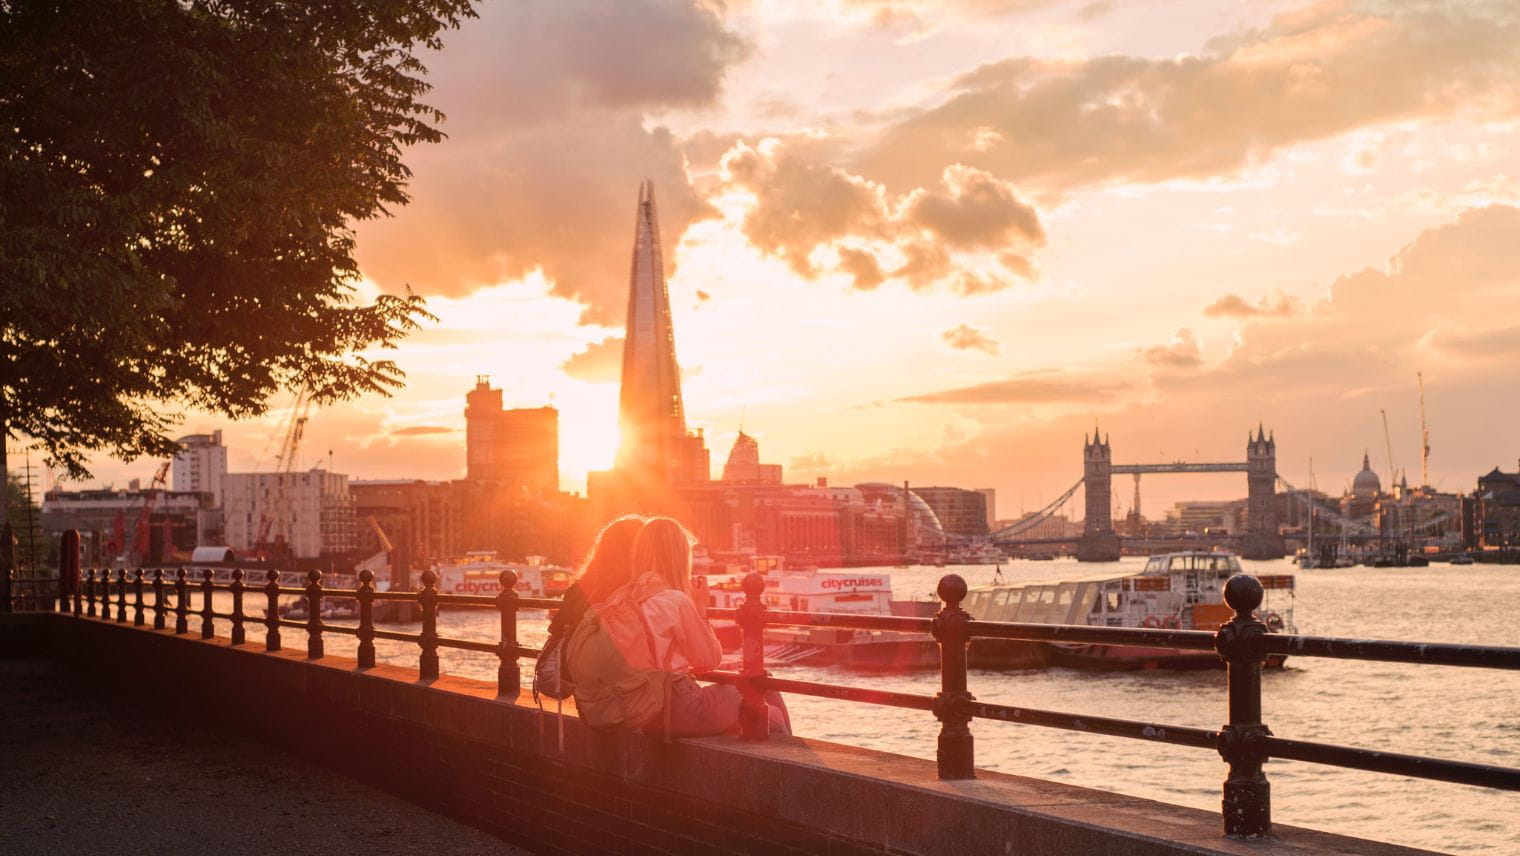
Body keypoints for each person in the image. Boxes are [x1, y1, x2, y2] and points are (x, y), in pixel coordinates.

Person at [619, 516, 790, 737]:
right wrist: (700, 610)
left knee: (759, 696)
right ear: (678, 556)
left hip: (639, 706)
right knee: (765, 690)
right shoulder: (674, 600)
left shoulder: (624, 598)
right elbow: (709, 660)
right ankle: (799, 762)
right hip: (678, 708)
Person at [537, 514, 644, 697]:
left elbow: (556, 627)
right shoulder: (635, 588)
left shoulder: (580, 586)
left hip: (584, 686)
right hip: (622, 687)